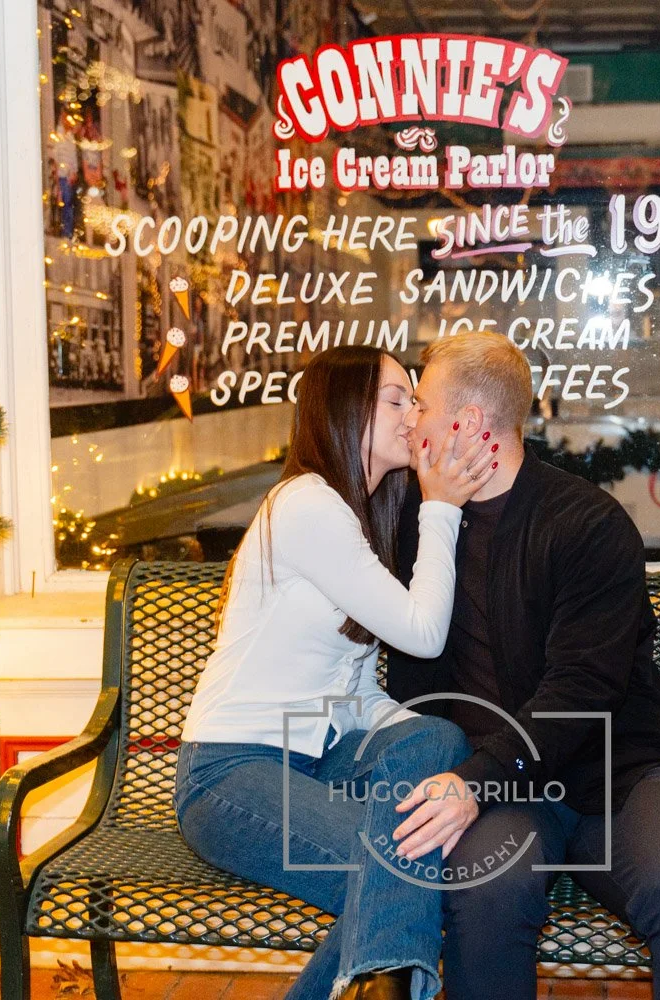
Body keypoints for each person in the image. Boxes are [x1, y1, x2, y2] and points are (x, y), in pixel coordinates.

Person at [389, 332, 660, 1000]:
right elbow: (416, 683)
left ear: (466, 424)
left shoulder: (585, 523)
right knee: (486, 896)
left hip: (619, 772)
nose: (411, 422)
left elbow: (582, 691)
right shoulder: (422, 524)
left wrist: (472, 781)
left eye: (421, 404)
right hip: (508, 790)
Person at [174, 345, 496, 1000]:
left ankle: (380, 982)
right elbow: (423, 635)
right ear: (346, 409)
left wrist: (436, 758)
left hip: (313, 761)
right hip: (227, 772)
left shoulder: (357, 516)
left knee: (438, 742)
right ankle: (387, 987)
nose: (415, 413)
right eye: (397, 397)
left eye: (416, 397)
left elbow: (355, 692)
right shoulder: (306, 505)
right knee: (401, 869)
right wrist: (442, 508)